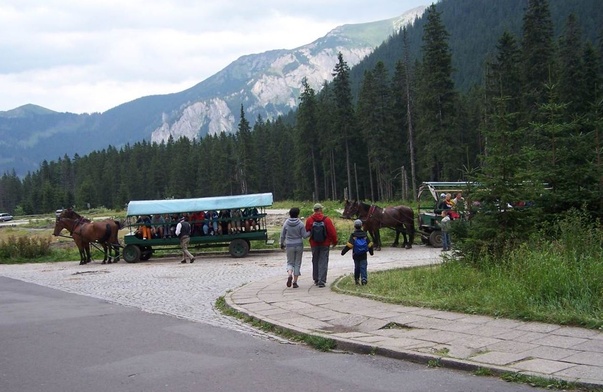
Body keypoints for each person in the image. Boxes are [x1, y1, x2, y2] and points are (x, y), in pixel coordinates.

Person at [304, 203, 338, 288]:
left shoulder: (309, 219)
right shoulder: (326, 220)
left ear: (314, 210)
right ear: (321, 210)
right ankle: (321, 280)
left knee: (315, 260)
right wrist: (334, 242)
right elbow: (332, 232)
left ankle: (316, 278)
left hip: (314, 243)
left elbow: (307, 230)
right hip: (325, 243)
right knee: (323, 261)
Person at [279, 207, 310, 288]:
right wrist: (311, 232)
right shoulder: (300, 223)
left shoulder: (286, 223)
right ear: (298, 214)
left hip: (289, 245)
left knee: (290, 262)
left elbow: (282, 235)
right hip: (299, 244)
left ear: (290, 213)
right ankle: (295, 282)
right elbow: (305, 236)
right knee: (297, 263)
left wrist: (281, 243)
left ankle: (289, 274)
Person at [341, 219, 374, 285]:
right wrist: (371, 252)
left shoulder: (353, 235)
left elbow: (349, 245)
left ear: (354, 226)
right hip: (363, 254)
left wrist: (343, 252)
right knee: (363, 267)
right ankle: (364, 279)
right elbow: (369, 244)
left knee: (357, 267)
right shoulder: (364, 234)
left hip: (356, 254)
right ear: (361, 226)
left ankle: (356, 279)